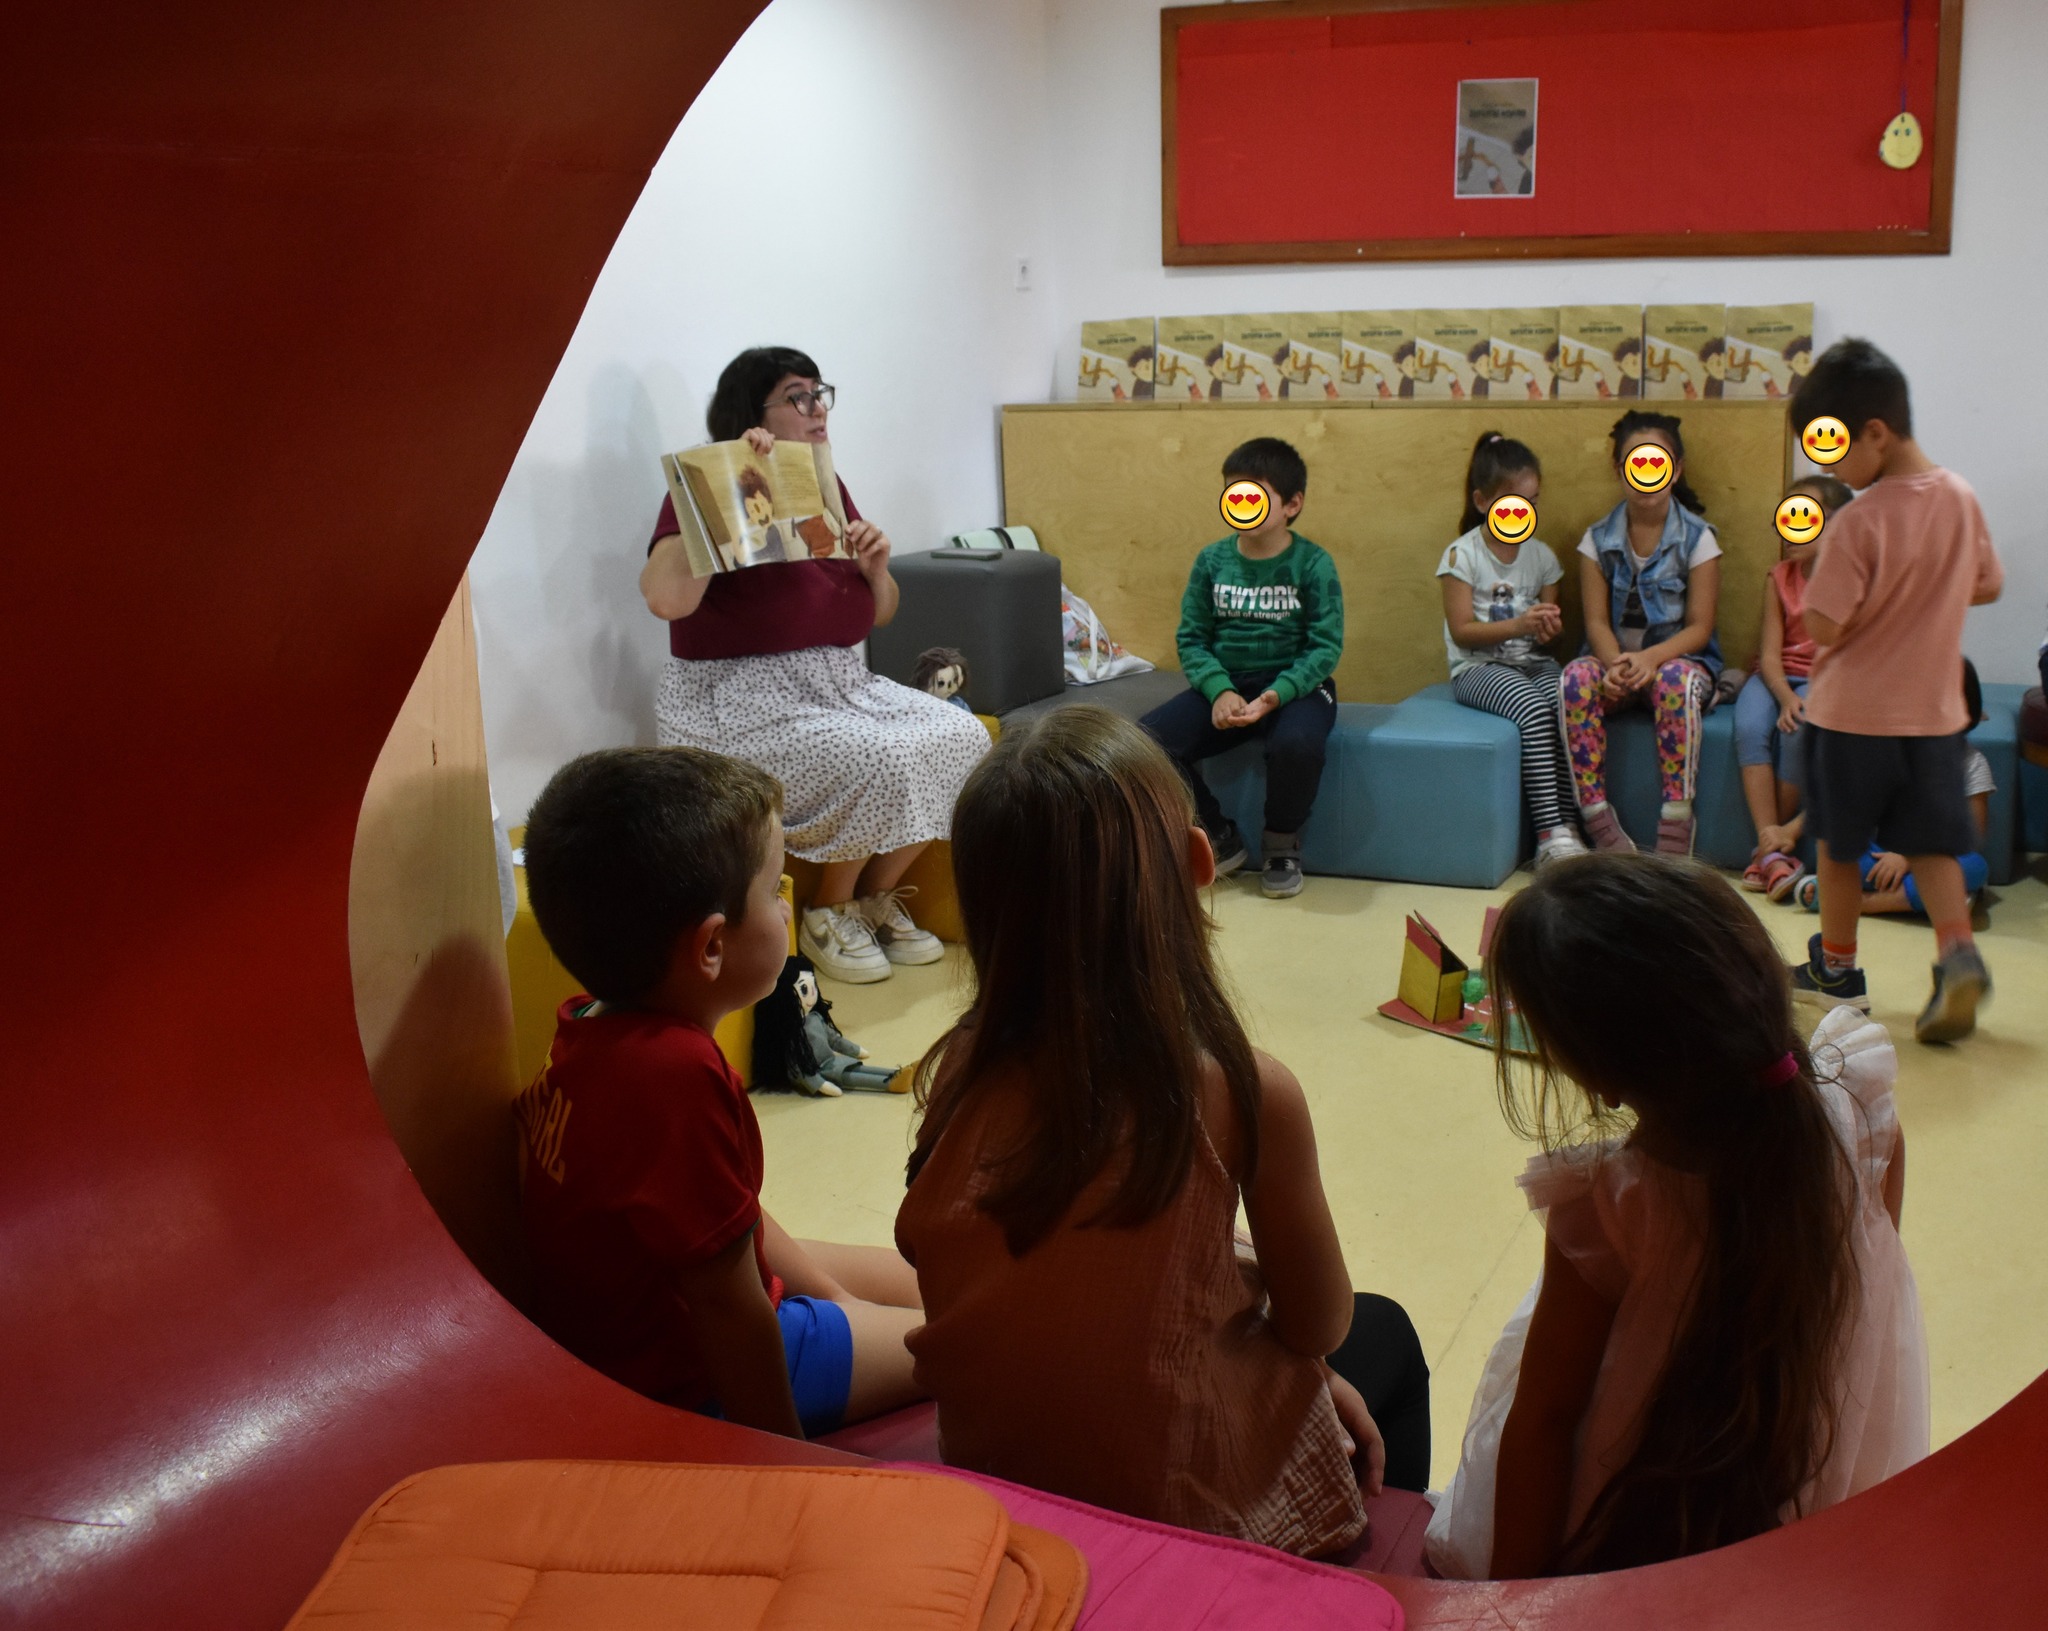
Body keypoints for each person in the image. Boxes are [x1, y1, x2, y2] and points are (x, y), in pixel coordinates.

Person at [896, 708, 1431, 1557]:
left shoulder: (957, 1068)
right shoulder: (1245, 1090)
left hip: (1000, 1475)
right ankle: (1368, 1580)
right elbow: (1319, 1324)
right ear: (1198, 861)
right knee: (1384, 1330)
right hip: (1179, 1508)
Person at [1426, 853, 1928, 1580]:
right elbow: (1871, 1306)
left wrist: (1514, 1608)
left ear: (1598, 1076)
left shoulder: (1609, 1208)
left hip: (1638, 1532)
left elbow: (1545, 1421)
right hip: (1817, 1489)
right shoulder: (1868, 1120)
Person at [516, 746, 926, 1440]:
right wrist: (782, 1462)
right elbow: (727, 1310)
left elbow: (722, 1216)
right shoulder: (672, 1076)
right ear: (710, 948)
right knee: (972, 1338)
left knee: (944, 1280)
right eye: (774, 890)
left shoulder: (591, 1022)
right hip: (688, 1376)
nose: (787, 905)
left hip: (673, 1314)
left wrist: (836, 1297)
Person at [640, 346, 988, 985]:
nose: (817, 408)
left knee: (962, 735)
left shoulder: (823, 486)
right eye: (798, 397)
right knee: (876, 755)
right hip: (736, 700)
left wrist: (876, 570)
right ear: (753, 414)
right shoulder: (706, 485)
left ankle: (874, 897)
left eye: (820, 393)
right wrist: (728, 475)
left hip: (838, 683)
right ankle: (829, 908)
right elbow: (666, 599)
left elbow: (882, 612)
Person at [1785, 338, 2004, 1041]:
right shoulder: (1960, 497)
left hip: (1852, 718)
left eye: (1831, 449)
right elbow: (1988, 583)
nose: (1828, 468)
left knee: (1838, 847)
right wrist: (1926, 596)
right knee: (1933, 845)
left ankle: (1837, 970)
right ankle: (1958, 952)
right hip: (1934, 718)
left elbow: (1822, 623)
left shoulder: (1858, 520)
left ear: (1875, 433)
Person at [1139, 437, 1344, 898]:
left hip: (1297, 685)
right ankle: (1217, 833)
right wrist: (1219, 690)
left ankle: (1281, 845)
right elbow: (1192, 639)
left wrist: (1278, 694)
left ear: (1292, 504)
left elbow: (1325, 646)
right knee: (1146, 741)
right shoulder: (1212, 561)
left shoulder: (1313, 563)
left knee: (1297, 743)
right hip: (1229, 682)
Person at [1559, 410, 1723, 856]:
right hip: (1617, 665)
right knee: (1574, 678)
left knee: (1675, 681)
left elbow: (1699, 627)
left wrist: (1651, 659)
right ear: (1619, 470)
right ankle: (1597, 818)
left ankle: (1676, 823)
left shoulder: (1698, 539)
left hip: (1675, 664)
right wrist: (1614, 665)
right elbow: (1596, 622)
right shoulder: (1597, 541)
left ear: (1676, 470)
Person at [1436, 432, 1580, 869]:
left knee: (1568, 700)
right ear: (1483, 502)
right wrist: (1519, 624)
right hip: (1476, 668)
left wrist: (1548, 629)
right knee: (1532, 709)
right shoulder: (1462, 556)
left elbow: (1549, 636)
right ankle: (1549, 834)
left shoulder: (1542, 557)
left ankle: (1571, 825)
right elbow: (1462, 632)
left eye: (1532, 502)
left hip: (1532, 662)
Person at [1788, 660, 1994, 920]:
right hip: (1877, 853)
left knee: (1975, 867)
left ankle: (1861, 902)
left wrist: (1908, 859)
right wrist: (1791, 829)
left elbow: (1974, 836)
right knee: (1839, 852)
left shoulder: (1972, 763)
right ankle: (1934, 898)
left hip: (1935, 857)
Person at [1738, 474, 1854, 897]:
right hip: (1773, 678)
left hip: (1822, 679)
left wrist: (1802, 701)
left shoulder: (1852, 583)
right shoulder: (1780, 578)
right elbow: (1770, 655)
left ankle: (1769, 849)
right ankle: (1771, 849)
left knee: (1798, 730)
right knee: (1750, 726)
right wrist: (1784, 696)